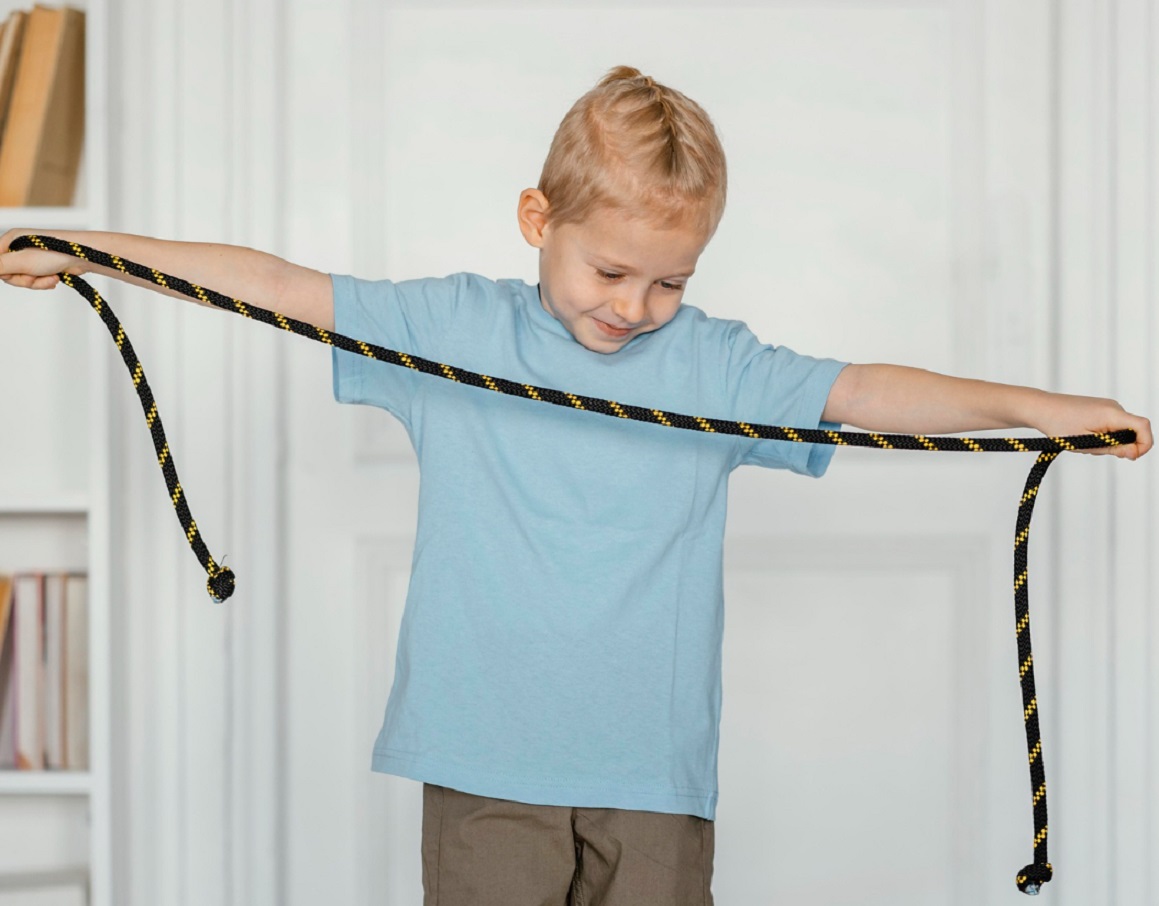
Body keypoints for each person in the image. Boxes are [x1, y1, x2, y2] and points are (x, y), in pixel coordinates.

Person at [0, 65, 1150, 906]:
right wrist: (86, 248)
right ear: (535, 220)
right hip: (479, 769)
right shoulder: (447, 331)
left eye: (667, 280)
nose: (633, 305)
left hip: (651, 780)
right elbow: (278, 284)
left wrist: (1041, 410)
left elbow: (867, 392)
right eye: (609, 269)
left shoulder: (715, 367)